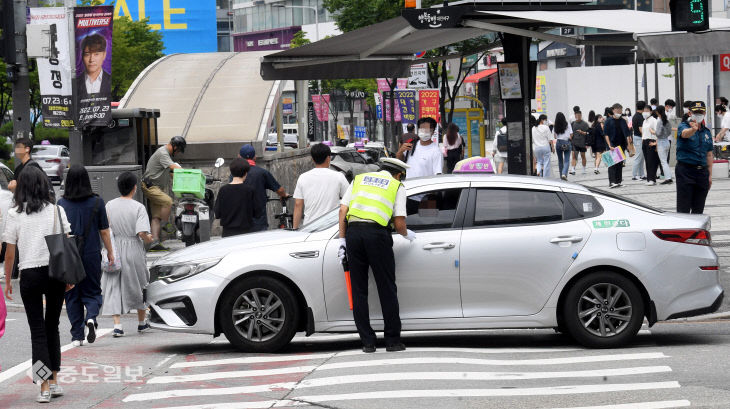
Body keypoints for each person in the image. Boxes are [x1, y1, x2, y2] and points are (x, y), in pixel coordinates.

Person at [3, 166, 71, 403]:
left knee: (37, 331)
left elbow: (9, 252)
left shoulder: (15, 214)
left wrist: (9, 279)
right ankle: (54, 382)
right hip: (55, 273)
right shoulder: (56, 211)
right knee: (52, 325)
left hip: (29, 274)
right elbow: (66, 243)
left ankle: (43, 388)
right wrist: (68, 277)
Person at [338, 158, 415, 353]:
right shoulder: (397, 186)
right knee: (386, 287)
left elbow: (343, 210)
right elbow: (399, 223)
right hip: (377, 235)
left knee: (359, 289)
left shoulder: (359, 179)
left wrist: (342, 240)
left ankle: (367, 342)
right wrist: (407, 234)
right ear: (399, 174)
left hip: (354, 234)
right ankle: (392, 341)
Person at [58, 165, 115, 346]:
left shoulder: (61, 204)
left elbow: (58, 233)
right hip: (91, 253)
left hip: (69, 255)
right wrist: (110, 253)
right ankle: (91, 317)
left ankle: (77, 336)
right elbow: (104, 232)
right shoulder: (97, 202)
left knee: (72, 294)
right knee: (92, 291)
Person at [101, 172, 154, 337]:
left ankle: (117, 325)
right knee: (139, 283)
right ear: (134, 187)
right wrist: (150, 238)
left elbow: (105, 227)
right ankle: (141, 322)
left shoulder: (109, 205)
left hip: (114, 247)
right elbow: (141, 233)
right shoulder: (138, 207)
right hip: (133, 248)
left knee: (114, 285)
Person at [141, 136, 185, 251]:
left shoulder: (166, 155)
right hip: (150, 186)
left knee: (156, 217)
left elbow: (170, 172)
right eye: (179, 150)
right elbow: (173, 167)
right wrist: (187, 173)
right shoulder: (163, 153)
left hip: (156, 188)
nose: (179, 152)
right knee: (168, 201)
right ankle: (166, 224)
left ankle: (154, 243)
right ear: (175, 146)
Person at [293, 144, 348, 229]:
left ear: (313, 159)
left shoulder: (303, 177)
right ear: (328, 158)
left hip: (309, 227)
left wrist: (295, 228)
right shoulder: (339, 176)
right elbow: (348, 200)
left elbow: (298, 204)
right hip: (331, 227)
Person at [239, 144, 288, 231]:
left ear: (239, 157)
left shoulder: (235, 174)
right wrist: (283, 195)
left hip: (240, 220)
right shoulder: (262, 173)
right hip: (259, 221)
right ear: (255, 157)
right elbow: (279, 190)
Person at [676, 101, 714, 214]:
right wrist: (693, 129)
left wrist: (710, 175)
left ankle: (696, 231)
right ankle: (683, 230)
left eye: (701, 112)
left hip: (702, 173)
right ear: (689, 113)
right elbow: (684, 134)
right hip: (686, 171)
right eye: (695, 112)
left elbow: (709, 154)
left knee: (699, 208)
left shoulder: (706, 132)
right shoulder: (684, 126)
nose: (698, 114)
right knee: (684, 207)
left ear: (704, 113)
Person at [215, 159, 257, 237]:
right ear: (245, 173)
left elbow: (217, 213)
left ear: (231, 172)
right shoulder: (249, 190)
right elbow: (257, 213)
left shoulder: (223, 190)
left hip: (227, 232)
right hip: (246, 232)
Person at [76, 34, 112, 101]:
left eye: (96, 54)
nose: (91, 59)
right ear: (82, 56)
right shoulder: (75, 83)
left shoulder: (110, 80)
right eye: (87, 54)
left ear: (104, 55)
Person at [605, 103, 631, 188]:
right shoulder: (608, 121)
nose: (619, 112)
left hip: (621, 145)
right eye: (617, 110)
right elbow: (606, 134)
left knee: (620, 164)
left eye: (620, 110)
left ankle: (618, 181)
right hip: (611, 145)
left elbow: (627, 134)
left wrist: (628, 145)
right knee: (612, 164)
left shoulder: (623, 121)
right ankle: (612, 182)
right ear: (613, 110)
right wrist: (609, 145)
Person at [641, 106, 660, 186]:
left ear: (651, 112)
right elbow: (643, 132)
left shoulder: (653, 120)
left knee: (652, 161)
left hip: (651, 141)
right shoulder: (644, 121)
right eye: (644, 110)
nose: (645, 112)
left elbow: (657, 132)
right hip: (644, 141)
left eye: (647, 110)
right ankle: (649, 178)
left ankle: (652, 179)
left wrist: (656, 143)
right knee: (647, 161)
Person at [655, 106, 674, 185]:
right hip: (667, 141)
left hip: (661, 142)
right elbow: (669, 132)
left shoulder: (660, 121)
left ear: (658, 112)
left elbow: (658, 133)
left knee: (663, 162)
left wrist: (653, 132)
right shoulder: (667, 120)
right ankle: (668, 176)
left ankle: (668, 178)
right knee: (665, 161)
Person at [553, 112, 573, 180]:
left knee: (560, 160)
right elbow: (571, 134)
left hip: (558, 142)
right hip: (566, 142)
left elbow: (555, 136)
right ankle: (564, 173)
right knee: (566, 160)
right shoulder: (568, 124)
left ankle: (561, 176)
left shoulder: (555, 125)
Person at [631, 101, 647, 181]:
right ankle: (634, 175)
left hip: (637, 138)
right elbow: (641, 129)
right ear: (643, 108)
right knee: (638, 157)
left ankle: (642, 174)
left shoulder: (635, 116)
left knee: (641, 157)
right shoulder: (639, 117)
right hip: (639, 138)